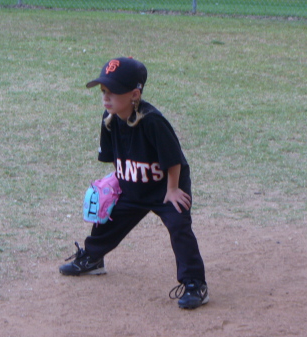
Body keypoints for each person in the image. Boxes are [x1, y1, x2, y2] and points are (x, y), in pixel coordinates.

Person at [59, 57, 208, 309]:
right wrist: (116, 182)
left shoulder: (152, 121)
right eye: (103, 91)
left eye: (113, 91)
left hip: (165, 189)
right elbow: (115, 157)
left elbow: (174, 160)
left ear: (135, 94)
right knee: (108, 220)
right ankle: (93, 258)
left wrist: (173, 190)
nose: (106, 97)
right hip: (132, 186)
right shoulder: (110, 118)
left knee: (179, 228)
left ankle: (195, 283)